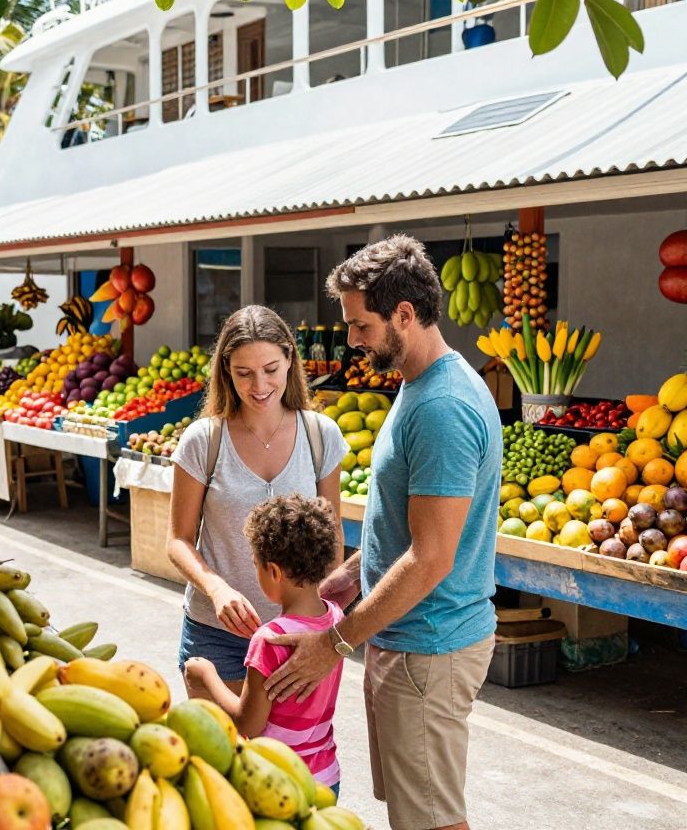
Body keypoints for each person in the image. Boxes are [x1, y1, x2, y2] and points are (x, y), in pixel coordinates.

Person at [263, 235, 502, 830]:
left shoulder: (441, 408)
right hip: (411, 640)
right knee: (412, 808)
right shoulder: (419, 386)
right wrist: (346, 579)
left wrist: (335, 643)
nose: (352, 339)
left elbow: (429, 559)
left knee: (431, 818)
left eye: (360, 325)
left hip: (429, 647)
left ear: (404, 314)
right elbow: (403, 532)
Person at [168, 305, 348, 695]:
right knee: (220, 752)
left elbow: (331, 535)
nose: (259, 385)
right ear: (225, 372)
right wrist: (217, 590)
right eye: (243, 373)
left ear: (290, 359)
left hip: (297, 635)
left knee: (292, 751)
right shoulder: (203, 440)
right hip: (216, 634)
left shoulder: (321, 436)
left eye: (270, 369)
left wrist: (321, 621)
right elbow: (178, 540)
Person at [184, 493, 345, 796]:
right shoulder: (335, 620)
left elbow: (248, 723)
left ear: (273, 571)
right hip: (326, 776)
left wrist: (206, 676)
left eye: (255, 564)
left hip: (276, 781)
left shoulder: (271, 639)